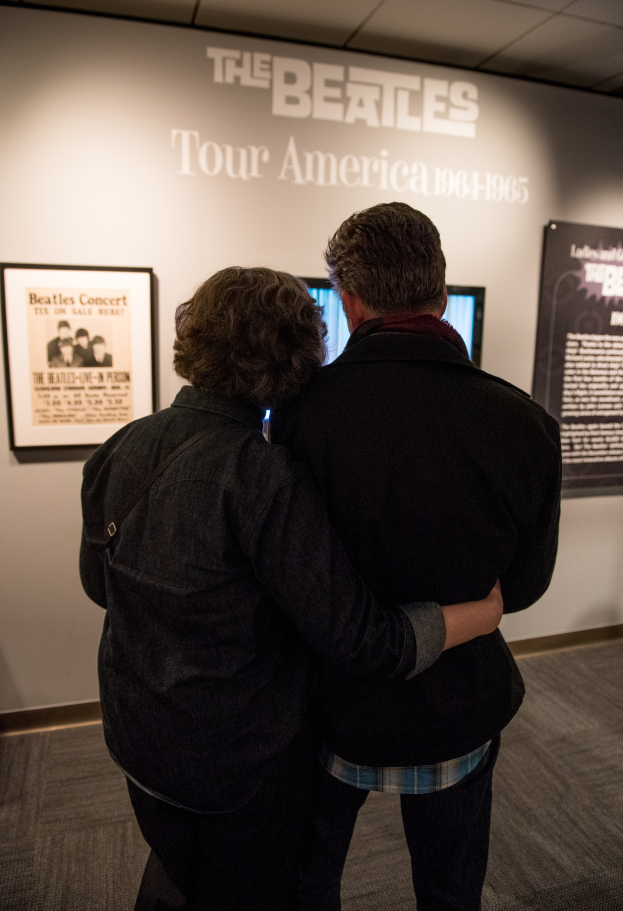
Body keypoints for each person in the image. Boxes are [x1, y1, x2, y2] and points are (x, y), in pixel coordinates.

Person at [79, 266, 503, 911]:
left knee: (181, 872)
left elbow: (97, 585)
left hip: (138, 740)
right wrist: (483, 612)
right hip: (238, 765)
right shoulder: (261, 478)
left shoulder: (119, 447)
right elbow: (364, 640)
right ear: (299, 355)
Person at [271, 204, 562, 911]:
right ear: (438, 289)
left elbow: (284, 577)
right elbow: (521, 589)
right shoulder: (522, 420)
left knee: (309, 880)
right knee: (450, 888)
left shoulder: (301, 415)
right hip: (456, 707)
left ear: (348, 298)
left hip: (334, 707)